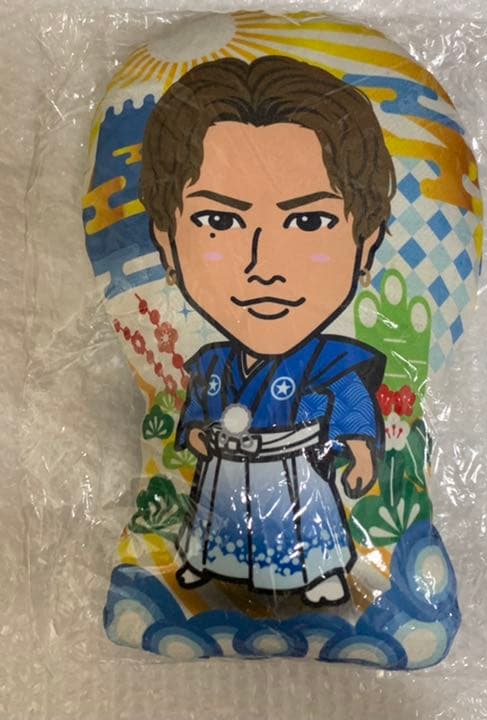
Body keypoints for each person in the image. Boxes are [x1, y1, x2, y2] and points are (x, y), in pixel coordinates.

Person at [140, 55, 396, 605]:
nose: (264, 265)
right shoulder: (212, 363)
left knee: (309, 527)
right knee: (218, 523)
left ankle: (323, 575)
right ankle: (204, 562)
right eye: (219, 221)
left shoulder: (332, 363)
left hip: (296, 466)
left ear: (367, 242)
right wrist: (198, 435)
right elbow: (200, 405)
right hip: (228, 467)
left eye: (308, 221)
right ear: (166, 241)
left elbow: (351, 406)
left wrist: (360, 450)